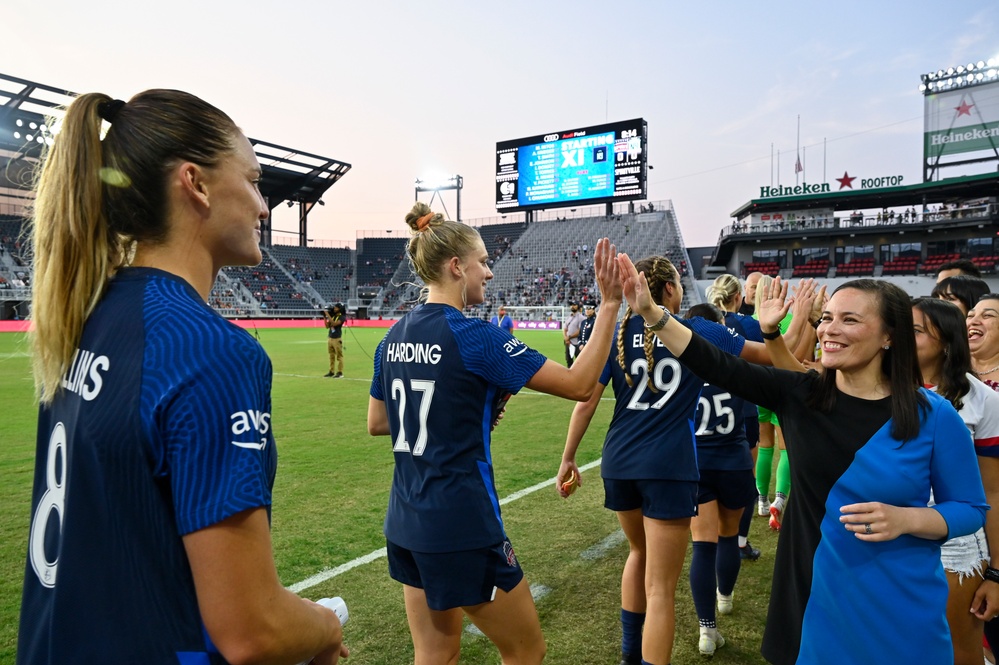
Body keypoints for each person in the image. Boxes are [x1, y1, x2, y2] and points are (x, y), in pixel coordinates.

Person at [18, 90, 347, 664]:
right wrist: (323, 625)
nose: (264, 207)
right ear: (195, 183)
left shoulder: (81, 317)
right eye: (253, 181)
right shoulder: (209, 350)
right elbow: (251, 631)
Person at [617, 257, 988, 665]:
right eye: (827, 318)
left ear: (889, 336)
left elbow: (970, 508)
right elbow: (715, 363)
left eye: (850, 320)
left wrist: (908, 520)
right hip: (813, 602)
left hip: (903, 606)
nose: (829, 329)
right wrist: (653, 314)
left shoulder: (935, 416)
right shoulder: (801, 396)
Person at [366, 202, 622, 665]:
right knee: (525, 650)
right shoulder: (475, 336)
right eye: (482, 261)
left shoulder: (393, 335)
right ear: (456, 266)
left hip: (406, 519)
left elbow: (379, 422)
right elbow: (581, 384)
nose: (488, 271)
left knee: (435, 652)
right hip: (461, 522)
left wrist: (463, 413)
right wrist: (608, 305)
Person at [556, 256, 775, 665]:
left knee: (637, 554)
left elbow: (585, 402)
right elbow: (767, 356)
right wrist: (780, 329)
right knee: (661, 588)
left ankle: (628, 657)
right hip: (669, 466)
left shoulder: (619, 331)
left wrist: (568, 458)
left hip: (619, 460)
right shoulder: (697, 329)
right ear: (671, 290)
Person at [912, 297, 999, 665]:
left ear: (946, 341)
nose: (900, 337)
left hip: (955, 549)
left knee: (958, 653)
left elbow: (992, 490)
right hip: (879, 539)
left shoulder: (982, 399)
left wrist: (996, 574)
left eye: (914, 331)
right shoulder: (874, 385)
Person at [683, 303, 758, 656]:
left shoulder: (684, 366)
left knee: (702, 545)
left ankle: (706, 630)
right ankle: (724, 598)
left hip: (697, 464)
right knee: (729, 538)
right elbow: (752, 423)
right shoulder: (737, 365)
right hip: (734, 461)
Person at [324, 302, 345, 377]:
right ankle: (331, 371)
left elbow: (335, 324)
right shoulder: (333, 316)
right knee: (331, 356)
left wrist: (327, 315)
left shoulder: (342, 317)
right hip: (330, 338)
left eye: (336, 308)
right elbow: (327, 326)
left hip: (337, 338)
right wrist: (324, 317)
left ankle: (340, 372)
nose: (334, 309)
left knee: (339, 356)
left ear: (339, 309)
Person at [563, 301, 585, 367]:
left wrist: (569, 337)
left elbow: (580, 330)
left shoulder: (581, 317)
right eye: (571, 305)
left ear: (578, 306)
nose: (572, 306)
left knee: (580, 362)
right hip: (568, 343)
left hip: (577, 343)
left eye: (574, 305)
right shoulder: (568, 317)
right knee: (569, 361)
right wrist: (566, 338)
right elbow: (565, 329)